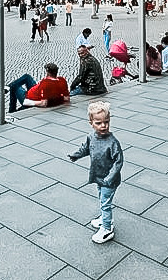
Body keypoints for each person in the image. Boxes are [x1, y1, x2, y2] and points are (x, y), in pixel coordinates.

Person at [68, 101, 123, 244]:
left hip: (109, 181)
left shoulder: (113, 142)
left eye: (106, 122)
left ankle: (107, 228)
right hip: (98, 176)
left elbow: (118, 162)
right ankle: (105, 219)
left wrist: (110, 178)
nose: (103, 126)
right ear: (91, 123)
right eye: (98, 123)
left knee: (105, 203)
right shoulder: (91, 137)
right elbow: (85, 148)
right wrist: (76, 155)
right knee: (102, 199)